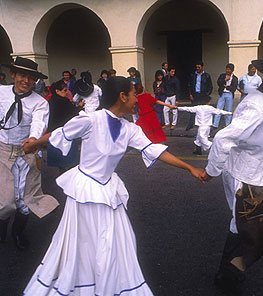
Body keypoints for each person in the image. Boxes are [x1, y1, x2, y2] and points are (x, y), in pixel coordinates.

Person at [22, 76, 204, 296]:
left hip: (108, 190)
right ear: (122, 96)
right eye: (134, 94)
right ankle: (84, 283)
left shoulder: (131, 129)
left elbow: (155, 150)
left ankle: (108, 281)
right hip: (85, 191)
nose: (137, 99)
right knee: (84, 240)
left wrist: (189, 168)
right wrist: (34, 144)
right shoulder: (91, 120)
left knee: (115, 240)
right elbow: (59, 133)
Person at [201, 56, 263, 295]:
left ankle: (230, 274)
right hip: (246, 177)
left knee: (250, 224)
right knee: (249, 227)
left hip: (249, 173)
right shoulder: (260, 108)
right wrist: (211, 171)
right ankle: (227, 277)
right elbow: (223, 138)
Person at [0, 57, 59, 250]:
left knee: (26, 199)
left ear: (36, 81)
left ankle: (18, 233)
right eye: (22, 75)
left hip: (26, 151)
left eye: (31, 78)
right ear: (13, 75)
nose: (26, 81)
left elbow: (38, 122)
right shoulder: (1, 93)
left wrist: (33, 139)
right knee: (5, 201)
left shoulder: (40, 102)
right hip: (2, 150)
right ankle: (2, 231)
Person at [47, 80, 84, 173]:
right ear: (57, 91)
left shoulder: (52, 100)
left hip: (54, 131)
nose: (66, 92)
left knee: (60, 160)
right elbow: (71, 113)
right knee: (69, 158)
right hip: (65, 131)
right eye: (64, 90)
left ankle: (62, 174)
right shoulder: (62, 101)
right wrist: (79, 106)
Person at [186, 61, 213, 131]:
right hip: (195, 95)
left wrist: (207, 96)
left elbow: (210, 87)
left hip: (203, 95)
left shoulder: (206, 76)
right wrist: (190, 94)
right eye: (196, 67)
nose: (197, 68)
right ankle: (190, 125)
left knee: (202, 111)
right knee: (193, 110)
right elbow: (189, 85)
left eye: (199, 67)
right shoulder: (193, 75)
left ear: (202, 67)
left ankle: (202, 125)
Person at [212, 63, 238, 129]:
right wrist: (225, 80)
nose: (227, 71)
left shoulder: (235, 78)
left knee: (228, 110)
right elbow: (218, 83)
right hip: (222, 93)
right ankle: (215, 124)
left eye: (229, 69)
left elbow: (234, 88)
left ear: (232, 70)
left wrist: (227, 87)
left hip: (229, 94)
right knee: (218, 109)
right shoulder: (222, 75)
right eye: (226, 69)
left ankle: (227, 125)